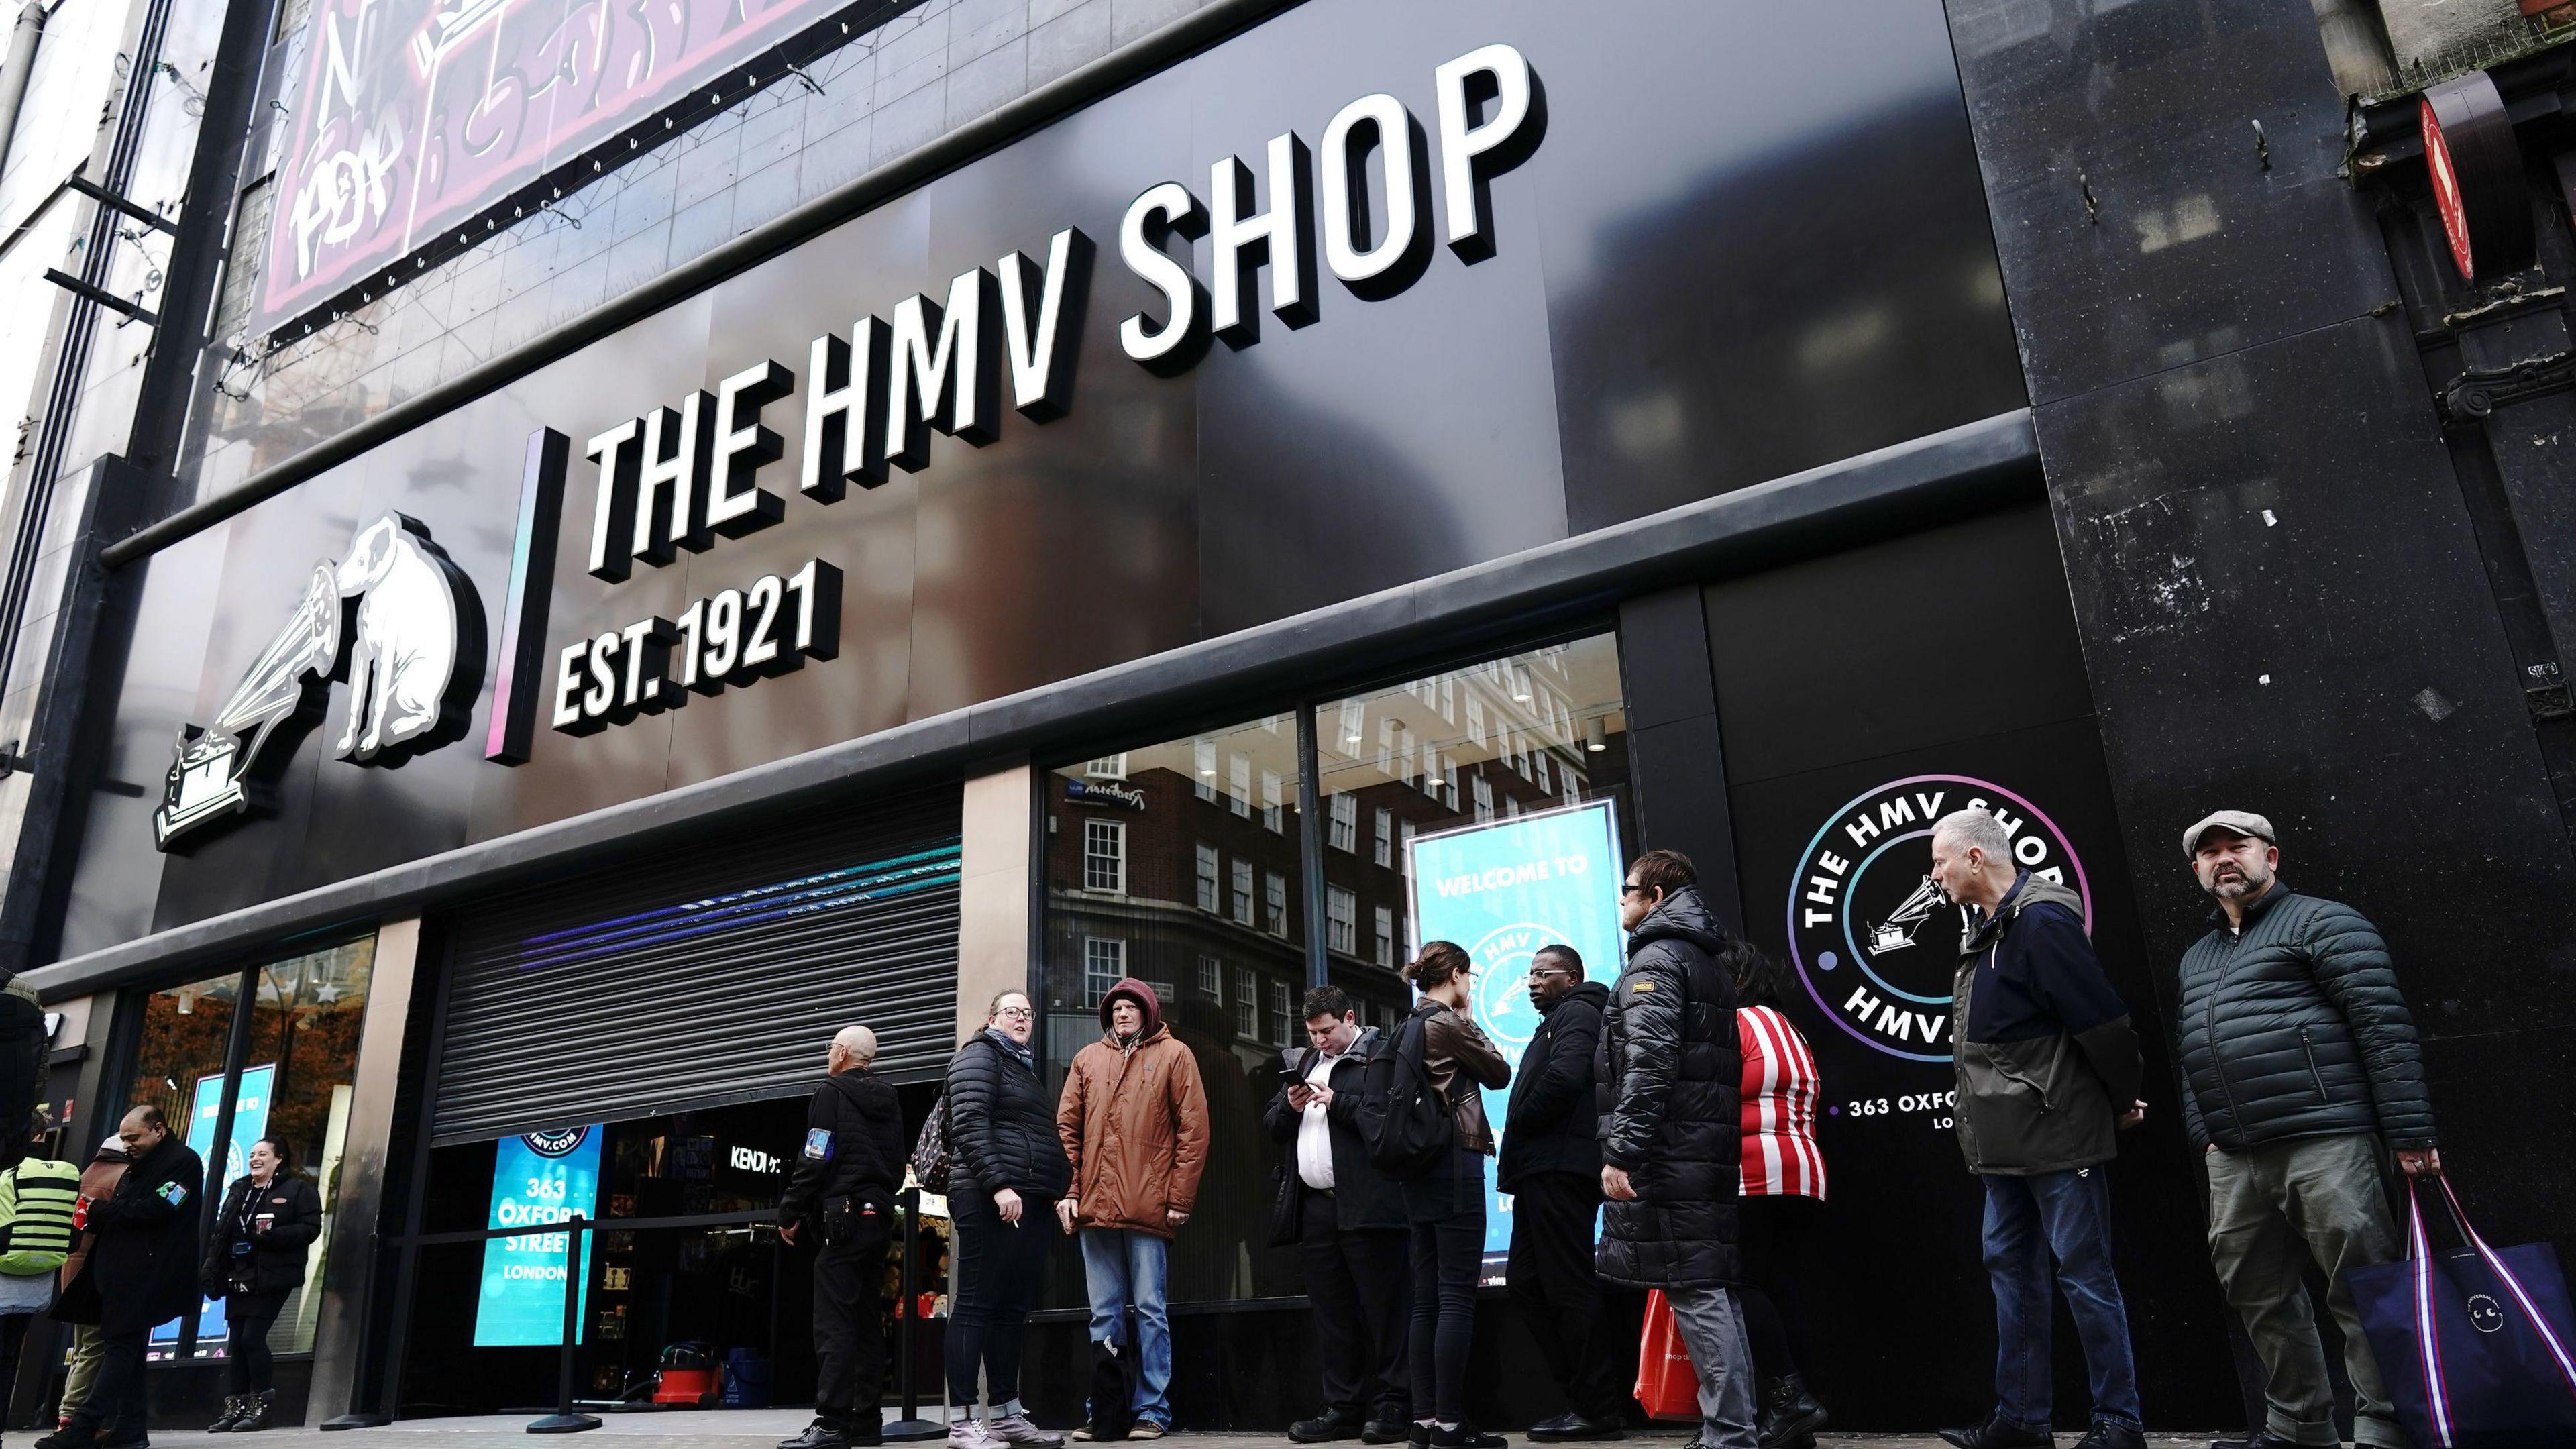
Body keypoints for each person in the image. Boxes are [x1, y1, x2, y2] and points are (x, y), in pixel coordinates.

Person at [2175, 812, 2438, 1449]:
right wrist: (2203, 1132)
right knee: (2256, 1293)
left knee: (2362, 1288)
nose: (2223, 859)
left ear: (2272, 856)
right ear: (2197, 871)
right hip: (2236, 1155)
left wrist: (2409, 1131)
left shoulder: (2325, 922)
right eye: (2209, 853)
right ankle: (2298, 1427)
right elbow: (2193, 1050)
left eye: (2236, 846)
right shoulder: (2199, 955)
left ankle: (2386, 1428)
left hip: (2328, 1142)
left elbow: (2384, 1027)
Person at [1929, 808, 2147, 1449]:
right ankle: (2022, 1423)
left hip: (2058, 1140)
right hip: (2003, 1148)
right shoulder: (1988, 932)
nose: (1934, 874)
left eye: (1940, 860)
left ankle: (2118, 1424)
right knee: (2013, 1275)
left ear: (1974, 857)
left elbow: (2104, 1025)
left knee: (2085, 1275)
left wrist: (2122, 1099)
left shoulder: (2042, 921)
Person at [1595, 849, 1755, 1449]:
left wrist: (1623, 1151)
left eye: (1628, 890)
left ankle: (1730, 1436)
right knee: (1709, 1283)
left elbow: (1650, 1061)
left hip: (1670, 1152)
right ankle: (1732, 1429)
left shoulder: (1658, 959)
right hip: (1701, 1146)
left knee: (1696, 1288)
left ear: (1656, 896)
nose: (1622, 901)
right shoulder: (1704, 959)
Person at [1057, 979, 1208, 1441]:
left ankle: (1152, 1410)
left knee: (1149, 1310)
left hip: (1148, 1206)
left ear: (1148, 1012)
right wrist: (1069, 1192)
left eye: (1131, 1007)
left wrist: (1179, 1199)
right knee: (1103, 1315)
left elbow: (1194, 1132)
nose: (1122, 1013)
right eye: (1116, 1008)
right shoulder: (1087, 1059)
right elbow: (1066, 1130)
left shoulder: (1175, 1054)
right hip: (1094, 1207)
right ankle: (1105, 1411)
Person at [1263, 987, 1409, 1446]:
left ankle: (1394, 1404)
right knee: (1333, 1314)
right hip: (1316, 1208)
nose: (1321, 1040)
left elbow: (1387, 1123)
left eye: (1327, 1030)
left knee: (1385, 1311)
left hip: (1369, 1204)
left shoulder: (1379, 1058)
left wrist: (1337, 1102)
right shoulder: (1305, 1063)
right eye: (1312, 1033)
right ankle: (1342, 1408)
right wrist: (1289, 1105)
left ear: (1350, 1017)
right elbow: (1270, 1125)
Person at [1498, 944, 1623, 1442]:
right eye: (1528, 975)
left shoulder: (1577, 1012)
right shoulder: (1558, 1017)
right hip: (1540, 1169)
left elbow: (1567, 1077)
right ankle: (1581, 1396)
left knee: (1567, 1284)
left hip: (1558, 1168)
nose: (1531, 982)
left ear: (1570, 977)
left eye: (1541, 973)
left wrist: (1520, 1123)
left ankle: (1597, 1406)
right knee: (1526, 1283)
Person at [1387, 943, 1510, 1449]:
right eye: (1470, 976)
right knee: (1457, 1292)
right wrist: (1470, 1018)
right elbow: (1498, 1072)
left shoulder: (1404, 1026)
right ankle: (1453, 1425)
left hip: (1416, 1167)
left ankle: (1424, 1422)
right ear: (1457, 975)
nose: (1471, 984)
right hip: (1455, 1161)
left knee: (1425, 1299)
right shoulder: (1447, 1023)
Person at [943, 991, 1072, 1449]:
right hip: (987, 1195)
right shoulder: (979, 1057)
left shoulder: (1022, 1068)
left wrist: (1057, 1191)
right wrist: (999, 1185)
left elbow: (1036, 1137)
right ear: (992, 1018)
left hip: (1029, 1201)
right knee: (976, 1305)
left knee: (1010, 1311)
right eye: (1011, 1011)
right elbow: (969, 1125)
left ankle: (1005, 1415)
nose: (1021, 1018)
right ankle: (961, 1423)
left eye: (1027, 1012)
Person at [41, 1104, 204, 1449]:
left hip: (146, 1273)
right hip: (119, 1273)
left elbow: (161, 1207)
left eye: (133, 1137)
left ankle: (84, 1426)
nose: (127, 1144)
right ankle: (130, 1429)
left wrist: (101, 1212)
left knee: (120, 1347)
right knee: (125, 1349)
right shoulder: (140, 1165)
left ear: (159, 1130)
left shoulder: (183, 1162)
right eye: (124, 1138)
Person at [780, 1026, 908, 1449]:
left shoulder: (830, 1093)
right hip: (878, 1216)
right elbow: (896, 1162)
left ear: (841, 1053)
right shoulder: (889, 1098)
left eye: (830, 1048)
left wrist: (791, 1209)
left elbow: (816, 1155)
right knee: (869, 1320)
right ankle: (866, 1421)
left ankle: (832, 1423)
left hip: (843, 1218)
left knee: (834, 1320)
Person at [1724, 943, 1829, 1449]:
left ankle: (1791, 1401)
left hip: (1753, 1172)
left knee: (1738, 1282)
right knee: (1780, 1289)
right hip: (1805, 1172)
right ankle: (1798, 1416)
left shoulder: (1734, 1026)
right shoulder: (1793, 1029)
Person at [197, 1137, 321, 1433]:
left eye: (262, 1154)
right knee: (237, 1343)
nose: (255, 1158)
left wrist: (272, 1235)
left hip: (274, 1275)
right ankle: (235, 1408)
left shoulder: (298, 1190)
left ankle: (262, 1407)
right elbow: (222, 1232)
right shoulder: (240, 1190)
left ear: (279, 1159)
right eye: (252, 1154)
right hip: (240, 1274)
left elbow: (310, 1228)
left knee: (252, 1338)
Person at [0, 1111, 78, 1418]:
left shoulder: (8, 1172)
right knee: (8, 1354)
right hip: (37, 1276)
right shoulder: (62, 1174)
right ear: (43, 1137)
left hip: (4, 1266)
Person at [53, 1135, 132, 1432]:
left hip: (73, 1269)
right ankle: (71, 1417)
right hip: (96, 1274)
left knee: (81, 1347)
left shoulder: (86, 1174)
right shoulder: (121, 1176)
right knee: (95, 1347)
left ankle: (72, 1414)